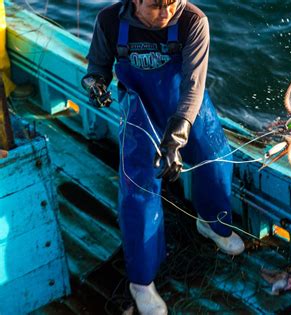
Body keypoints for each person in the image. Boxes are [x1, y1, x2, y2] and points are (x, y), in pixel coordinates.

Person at [81, 0, 245, 313]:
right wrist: (95, 83)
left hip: (185, 105)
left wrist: (176, 138)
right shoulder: (109, 21)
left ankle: (212, 223)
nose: (167, 13)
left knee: (216, 158)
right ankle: (141, 282)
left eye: (173, 3)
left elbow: (194, 85)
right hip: (140, 109)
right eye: (156, 6)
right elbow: (95, 69)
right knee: (139, 188)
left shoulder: (193, 20)